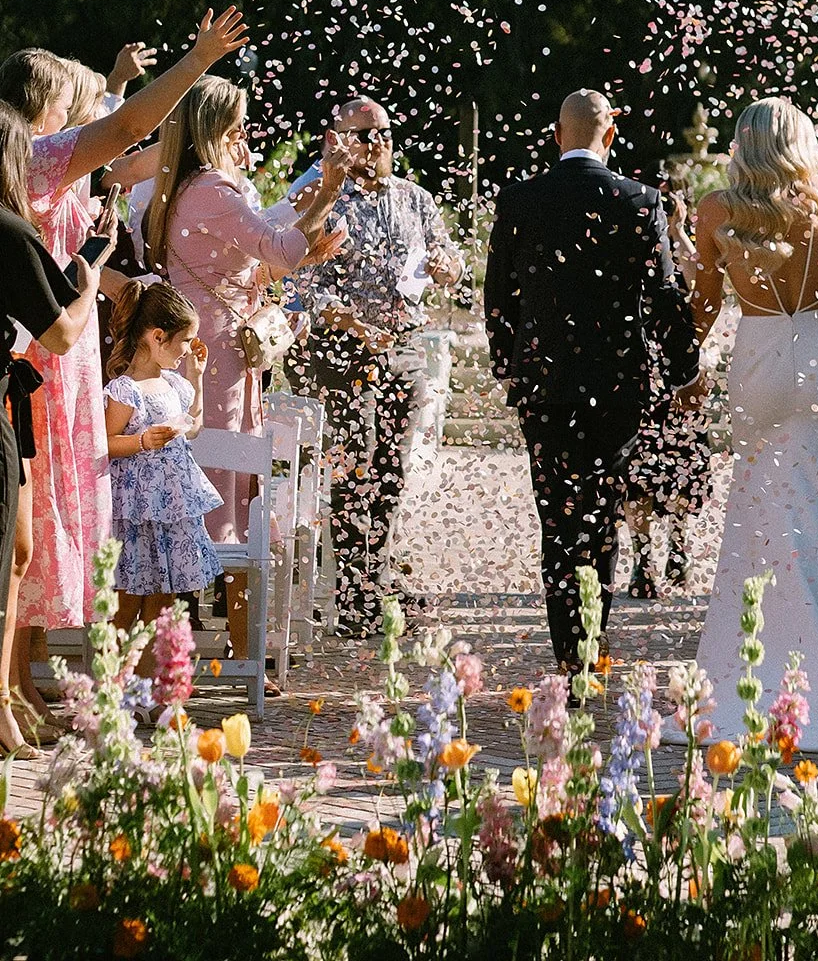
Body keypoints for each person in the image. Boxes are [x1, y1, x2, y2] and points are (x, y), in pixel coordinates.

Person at [0, 6, 248, 728]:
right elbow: (123, 129)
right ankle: (12, 688)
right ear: (42, 110)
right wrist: (197, 62)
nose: (78, 116)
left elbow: (128, 145)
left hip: (66, 356)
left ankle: (21, 683)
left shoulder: (45, 170)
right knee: (30, 538)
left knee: (41, 539)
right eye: (68, 105)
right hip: (44, 356)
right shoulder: (39, 162)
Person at [484, 89, 700, 681]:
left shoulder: (521, 200)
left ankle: (566, 655)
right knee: (600, 519)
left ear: (557, 135)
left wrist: (512, 372)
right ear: (610, 137)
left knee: (555, 518)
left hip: (545, 389)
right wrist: (686, 371)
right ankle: (590, 647)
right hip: (616, 389)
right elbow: (663, 296)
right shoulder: (638, 200)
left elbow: (499, 300)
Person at [676, 97, 818, 753]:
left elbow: (702, 302)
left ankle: (752, 673)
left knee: (757, 516)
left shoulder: (714, 209)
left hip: (756, 355)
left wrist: (684, 369)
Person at [143, 74, 347, 666]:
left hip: (212, 354)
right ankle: (233, 653)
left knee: (222, 495)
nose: (246, 135)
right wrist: (328, 188)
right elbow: (277, 251)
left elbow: (257, 258)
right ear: (214, 130)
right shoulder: (210, 188)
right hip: (216, 365)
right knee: (225, 503)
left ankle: (223, 650)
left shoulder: (191, 187)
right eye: (236, 125)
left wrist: (306, 229)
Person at [295, 97, 465, 635]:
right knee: (354, 465)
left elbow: (451, 262)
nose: (379, 144)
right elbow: (297, 285)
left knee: (390, 468)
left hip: (405, 347)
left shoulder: (415, 199)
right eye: (365, 134)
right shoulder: (317, 201)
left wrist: (447, 268)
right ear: (337, 140)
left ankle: (378, 577)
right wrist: (347, 321)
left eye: (386, 133)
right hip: (341, 352)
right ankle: (352, 596)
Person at [0, 101, 104, 756]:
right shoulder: (9, 229)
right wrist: (88, 283)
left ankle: (8, 702)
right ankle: (4, 713)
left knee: (16, 550)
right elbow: (61, 334)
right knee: (9, 555)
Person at [103, 282, 222, 642]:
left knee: (163, 596)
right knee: (128, 599)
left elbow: (194, 426)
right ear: (158, 336)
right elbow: (105, 442)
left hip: (172, 506)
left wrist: (197, 380)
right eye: (184, 341)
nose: (188, 350)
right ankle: (115, 684)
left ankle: (151, 685)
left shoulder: (173, 383)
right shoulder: (126, 389)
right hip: (138, 508)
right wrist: (141, 441)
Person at [624, 182, 714, 597]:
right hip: (640, 372)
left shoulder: (680, 247)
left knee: (680, 467)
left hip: (679, 372)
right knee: (638, 473)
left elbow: (701, 279)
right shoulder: (631, 243)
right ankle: (643, 559)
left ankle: (677, 546)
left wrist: (676, 230)